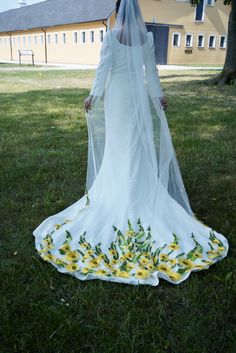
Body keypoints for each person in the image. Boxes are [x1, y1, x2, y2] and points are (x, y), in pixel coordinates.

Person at [32, 0, 229, 286]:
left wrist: (94, 97)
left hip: (119, 98)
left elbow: (103, 70)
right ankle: (138, 190)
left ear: (117, 10)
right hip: (136, 95)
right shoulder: (146, 37)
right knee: (137, 146)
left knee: (120, 147)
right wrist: (157, 96)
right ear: (137, 11)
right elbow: (152, 72)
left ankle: (118, 193)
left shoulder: (111, 37)